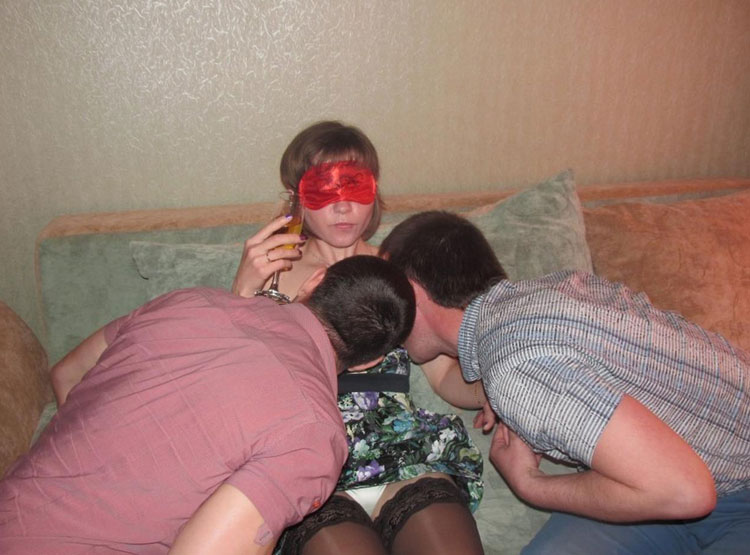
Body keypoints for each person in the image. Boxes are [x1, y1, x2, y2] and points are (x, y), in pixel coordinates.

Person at [379, 210, 750, 554]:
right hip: (659, 485)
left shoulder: (516, 366)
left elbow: (686, 493)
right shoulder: (554, 291)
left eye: (388, 295)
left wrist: (531, 484)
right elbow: (449, 373)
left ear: (411, 294)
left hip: (727, 488)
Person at [0, 255, 415, 554]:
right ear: (370, 361)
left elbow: (67, 374)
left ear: (314, 281)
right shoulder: (314, 433)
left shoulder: (189, 301)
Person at [232, 121, 486, 555]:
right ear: (296, 196)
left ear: (375, 191)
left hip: (405, 458)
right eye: (325, 188)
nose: (343, 205)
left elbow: (444, 376)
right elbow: (230, 384)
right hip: (312, 469)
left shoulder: (401, 271)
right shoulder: (271, 273)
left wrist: (496, 390)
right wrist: (242, 290)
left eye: (355, 186)